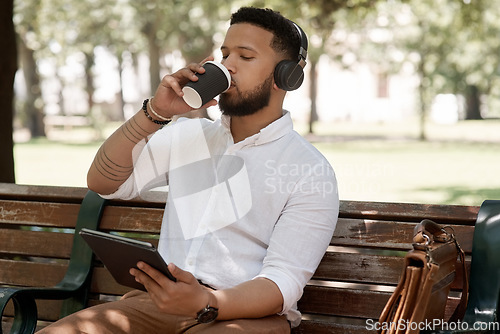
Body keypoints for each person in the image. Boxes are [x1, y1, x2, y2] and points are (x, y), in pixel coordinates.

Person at [38, 6, 339, 334]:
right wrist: (155, 112)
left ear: (287, 76)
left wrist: (207, 302)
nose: (227, 65)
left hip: (244, 318)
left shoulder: (310, 171)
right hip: (154, 305)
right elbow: (103, 183)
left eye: (245, 56)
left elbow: (282, 283)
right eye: (225, 54)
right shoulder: (187, 135)